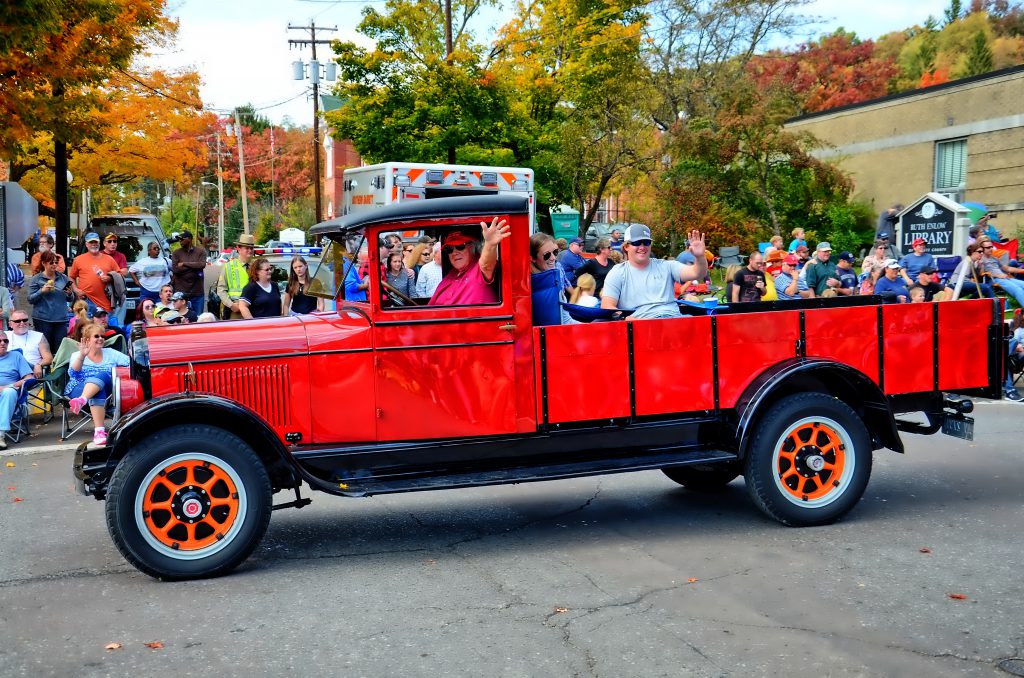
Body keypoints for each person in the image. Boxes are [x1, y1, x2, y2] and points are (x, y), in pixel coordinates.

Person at [601, 225, 707, 319]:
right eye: (637, 243)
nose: (642, 247)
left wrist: (700, 256)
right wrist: (624, 318)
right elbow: (607, 305)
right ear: (626, 247)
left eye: (646, 242)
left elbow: (697, 273)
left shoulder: (666, 265)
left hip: (673, 320)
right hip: (640, 325)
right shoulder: (617, 273)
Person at [64, 322, 130, 446]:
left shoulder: (111, 353)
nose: (100, 339)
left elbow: (131, 363)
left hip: (107, 391)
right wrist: (82, 356)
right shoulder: (77, 355)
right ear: (87, 340)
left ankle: (83, 400)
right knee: (98, 387)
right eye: (96, 336)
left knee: (102, 376)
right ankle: (99, 432)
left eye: (102, 336)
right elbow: (74, 374)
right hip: (78, 387)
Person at [429, 218, 509, 306]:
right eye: (449, 249)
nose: (454, 252)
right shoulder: (452, 274)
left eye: (460, 246)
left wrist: (490, 244)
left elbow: (486, 265)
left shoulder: (478, 269)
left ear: (473, 247)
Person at [27, 250, 74, 356]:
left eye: (56, 262)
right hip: (43, 319)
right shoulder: (36, 279)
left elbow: (70, 299)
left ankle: (57, 371)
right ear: (44, 263)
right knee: (44, 350)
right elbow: (30, 299)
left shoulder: (63, 278)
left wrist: (70, 294)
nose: (54, 265)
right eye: (51, 263)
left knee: (59, 350)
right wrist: (41, 291)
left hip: (60, 319)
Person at [529, 233, 577, 326]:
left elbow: (565, 318)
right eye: (547, 255)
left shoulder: (557, 268)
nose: (553, 258)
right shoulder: (539, 286)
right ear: (533, 258)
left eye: (555, 252)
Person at [68, 232, 119, 315]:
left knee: (104, 327)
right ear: (86, 244)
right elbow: (71, 277)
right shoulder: (78, 259)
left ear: (99, 243)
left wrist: (110, 278)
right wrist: (76, 290)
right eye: (91, 242)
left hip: (105, 303)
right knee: (85, 327)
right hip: (85, 301)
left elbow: (119, 275)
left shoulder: (109, 259)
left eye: (96, 242)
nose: (94, 244)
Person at [0, 333, 34, 450]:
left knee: (9, 392)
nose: (3, 343)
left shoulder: (15, 356)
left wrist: (10, 386)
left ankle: (0, 434)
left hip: (10, 393)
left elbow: (29, 378)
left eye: (5, 341)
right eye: (0, 341)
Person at [170, 230, 207, 319]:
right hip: (181, 294)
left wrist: (184, 264)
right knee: (180, 319)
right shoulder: (176, 253)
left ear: (190, 239)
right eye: (179, 239)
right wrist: (194, 266)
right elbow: (175, 269)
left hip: (197, 293)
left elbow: (202, 265)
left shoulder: (200, 252)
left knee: (198, 319)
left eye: (182, 239)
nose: (180, 241)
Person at [216, 234, 255, 320]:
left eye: (251, 248)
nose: (250, 250)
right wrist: (231, 305)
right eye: (247, 248)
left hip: (255, 308)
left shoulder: (257, 266)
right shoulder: (228, 266)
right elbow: (221, 289)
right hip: (236, 310)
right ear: (239, 249)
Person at [977, 239, 1024, 308]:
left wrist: (1022, 270)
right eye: (988, 247)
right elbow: (981, 274)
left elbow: (1007, 268)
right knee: (1018, 290)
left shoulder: (994, 258)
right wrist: (997, 275)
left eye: (991, 247)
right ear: (982, 249)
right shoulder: (980, 260)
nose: (991, 249)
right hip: (994, 280)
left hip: (1005, 278)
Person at [5, 310, 53, 379]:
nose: (22, 323)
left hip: (30, 371)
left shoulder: (38, 336)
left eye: (25, 320)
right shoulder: (4, 336)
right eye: (18, 321)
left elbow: (48, 358)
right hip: (8, 371)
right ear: (10, 324)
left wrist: (39, 364)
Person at [128, 241, 171, 307]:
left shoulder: (166, 260)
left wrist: (171, 282)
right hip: (146, 292)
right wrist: (136, 282)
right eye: (154, 248)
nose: (157, 250)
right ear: (149, 251)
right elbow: (131, 270)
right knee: (147, 312)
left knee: (161, 314)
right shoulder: (143, 261)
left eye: (158, 248)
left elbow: (176, 270)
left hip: (162, 293)